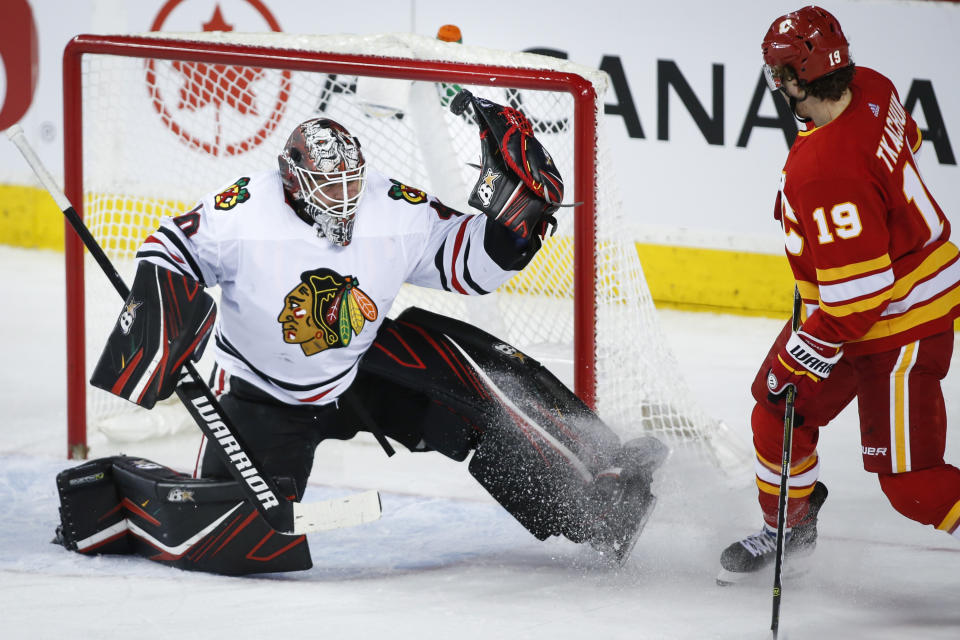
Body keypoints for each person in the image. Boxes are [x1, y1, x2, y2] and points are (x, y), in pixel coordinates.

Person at [56, 95, 666, 574]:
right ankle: (120, 500)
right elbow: (171, 246)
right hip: (263, 396)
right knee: (240, 539)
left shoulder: (391, 205)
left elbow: (467, 263)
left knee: (480, 373)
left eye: (352, 185)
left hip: (364, 368)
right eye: (330, 189)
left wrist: (512, 228)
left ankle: (596, 497)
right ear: (293, 181)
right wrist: (164, 310)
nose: (345, 202)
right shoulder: (246, 209)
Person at [717, 5, 960, 584]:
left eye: (780, 74)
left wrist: (798, 358)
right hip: (858, 308)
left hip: (900, 323)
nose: (777, 84)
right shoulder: (872, 85)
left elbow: (860, 299)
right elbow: (909, 144)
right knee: (775, 412)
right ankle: (792, 528)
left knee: (912, 484)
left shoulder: (825, 170)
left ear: (798, 80)